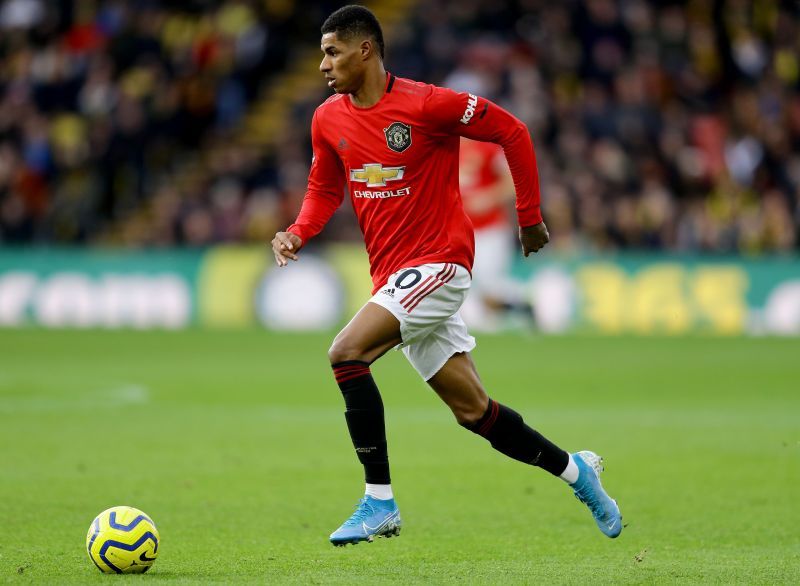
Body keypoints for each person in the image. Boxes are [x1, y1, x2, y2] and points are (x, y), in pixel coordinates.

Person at [270, 5, 622, 546]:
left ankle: (378, 501)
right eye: (322, 53)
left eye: (332, 51)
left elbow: (513, 131)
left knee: (345, 352)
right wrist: (297, 230)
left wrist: (528, 218)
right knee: (475, 413)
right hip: (392, 277)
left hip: (439, 264)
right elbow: (324, 189)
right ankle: (579, 473)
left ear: (365, 50)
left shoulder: (428, 104)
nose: (323, 64)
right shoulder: (328, 119)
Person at [457, 137, 531, 331]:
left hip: (491, 230)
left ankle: (523, 305)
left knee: (489, 285)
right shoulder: (446, 149)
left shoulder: (488, 149)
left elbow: (512, 183)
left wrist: (488, 198)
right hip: (462, 231)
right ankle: (520, 307)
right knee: (473, 285)